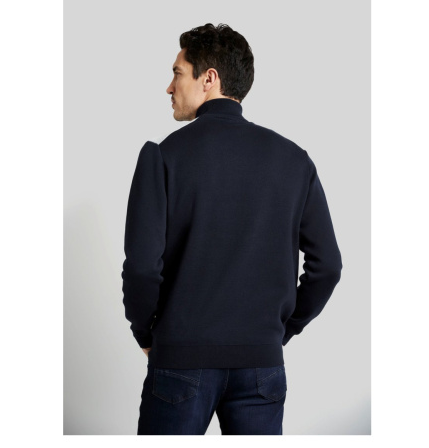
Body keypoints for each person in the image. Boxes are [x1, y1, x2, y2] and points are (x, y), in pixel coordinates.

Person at [121, 23, 343, 435]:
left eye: (177, 73)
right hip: (261, 364)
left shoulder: (162, 157)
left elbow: (141, 268)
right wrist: (281, 330)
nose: (169, 87)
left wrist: (145, 331)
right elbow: (327, 266)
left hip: (180, 361)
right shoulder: (294, 160)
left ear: (209, 78)